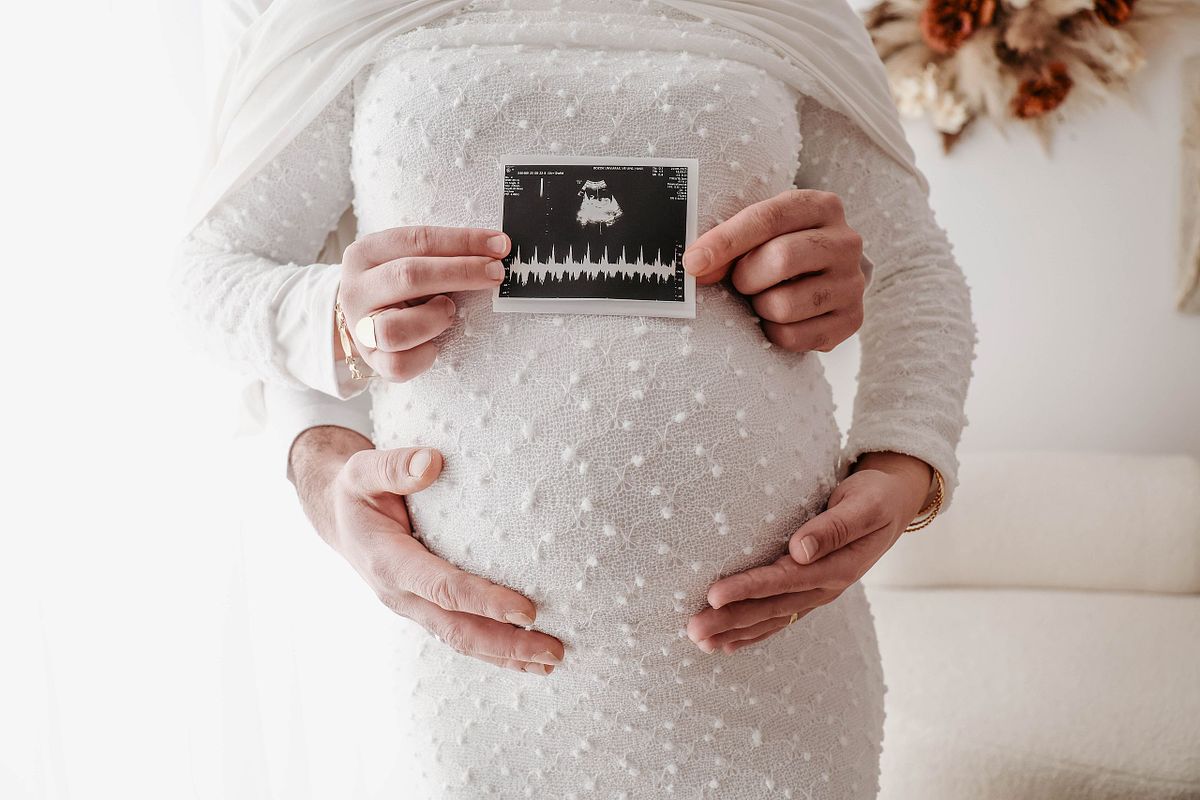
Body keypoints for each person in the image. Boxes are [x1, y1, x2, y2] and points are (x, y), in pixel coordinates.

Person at [172, 0, 976, 796]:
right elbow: (210, 275)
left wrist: (906, 462)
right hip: (479, 678)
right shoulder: (337, 14)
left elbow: (913, 268)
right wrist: (338, 320)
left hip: (770, 669)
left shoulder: (788, 12)